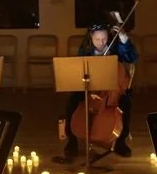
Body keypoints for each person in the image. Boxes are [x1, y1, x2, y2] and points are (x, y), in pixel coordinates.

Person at [59, 21, 139, 160]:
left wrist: (123, 38)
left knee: (126, 102)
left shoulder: (115, 47)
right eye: (97, 39)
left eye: (104, 38)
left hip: (112, 89)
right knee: (72, 100)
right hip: (90, 87)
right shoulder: (85, 49)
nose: (101, 43)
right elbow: (80, 70)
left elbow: (132, 58)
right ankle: (71, 141)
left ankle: (121, 141)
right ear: (91, 37)